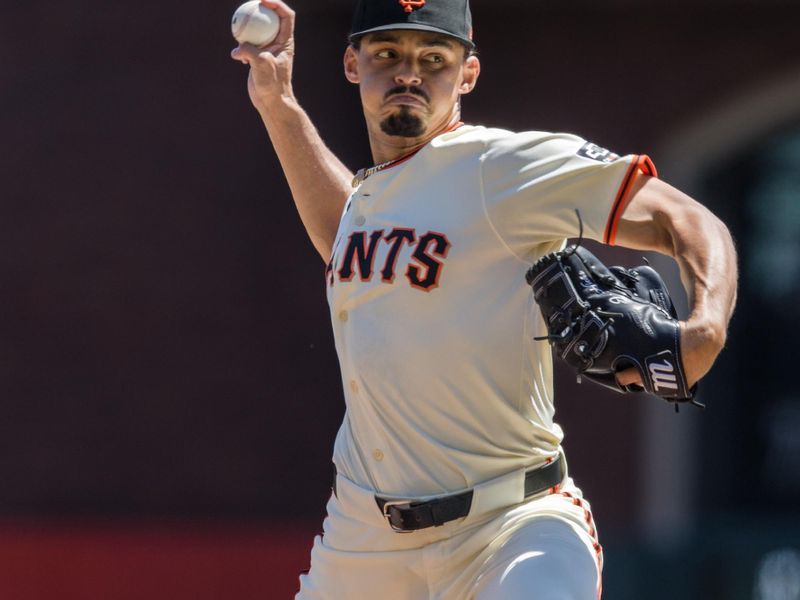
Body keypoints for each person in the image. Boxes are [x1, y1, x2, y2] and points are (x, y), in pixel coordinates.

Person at [232, 1, 738, 598]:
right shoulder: (375, 197)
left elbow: (685, 217)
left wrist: (706, 327)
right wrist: (278, 104)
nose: (409, 73)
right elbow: (347, 241)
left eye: (434, 59)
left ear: (468, 74)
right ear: (352, 63)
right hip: (363, 537)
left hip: (513, 526)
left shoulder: (502, 166)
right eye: (387, 54)